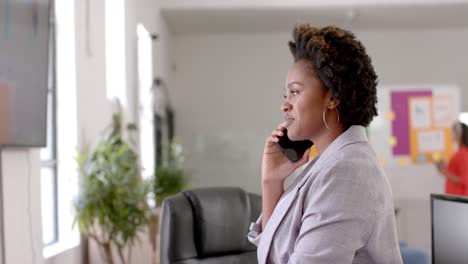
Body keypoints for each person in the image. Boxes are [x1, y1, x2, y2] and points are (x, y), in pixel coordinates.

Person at [247, 24, 402, 263]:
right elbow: (272, 250)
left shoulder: (346, 173)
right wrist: (272, 181)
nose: (285, 105)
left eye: (295, 92)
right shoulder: (330, 163)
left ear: (332, 97)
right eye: (285, 95)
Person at [435, 121, 468, 196]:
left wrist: (444, 172)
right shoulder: (459, 153)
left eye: (453, 132)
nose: (451, 134)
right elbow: (456, 172)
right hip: (454, 196)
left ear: (460, 134)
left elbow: (464, 180)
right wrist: (444, 167)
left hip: (460, 198)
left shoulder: (464, 154)